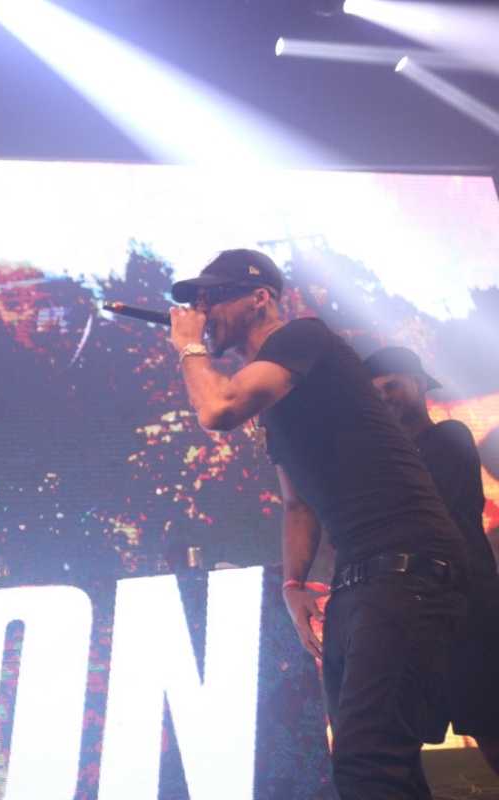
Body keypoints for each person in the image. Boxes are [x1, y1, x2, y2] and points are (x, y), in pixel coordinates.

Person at [166, 249, 467, 799]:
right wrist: (293, 584)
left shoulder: (304, 336)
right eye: (197, 305)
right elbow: (297, 505)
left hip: (407, 565)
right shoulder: (278, 401)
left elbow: (218, 408)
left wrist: (188, 345)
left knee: (366, 762)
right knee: (383, 766)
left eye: (213, 299)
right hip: (361, 577)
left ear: (260, 298)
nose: (203, 313)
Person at [365, 346, 499, 774]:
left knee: (489, 724)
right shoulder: (381, 458)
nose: (385, 397)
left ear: (419, 383)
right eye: (375, 393)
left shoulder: (449, 436)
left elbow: (426, 513)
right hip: (419, 610)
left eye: (391, 386)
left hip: (469, 600)